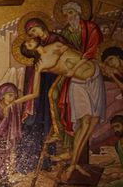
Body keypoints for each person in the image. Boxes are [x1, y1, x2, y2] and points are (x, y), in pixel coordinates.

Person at [17, 36, 106, 176]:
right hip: (79, 83)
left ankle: (73, 159)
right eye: (27, 45)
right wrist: (16, 101)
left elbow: (80, 55)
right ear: (29, 52)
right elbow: (35, 93)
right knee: (86, 121)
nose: (29, 41)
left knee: (93, 122)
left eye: (28, 40)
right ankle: (73, 164)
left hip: (95, 76)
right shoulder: (40, 65)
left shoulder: (55, 44)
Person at [101, 114, 123, 187]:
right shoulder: (118, 144)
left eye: (118, 126)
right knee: (108, 184)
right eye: (114, 127)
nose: (116, 130)